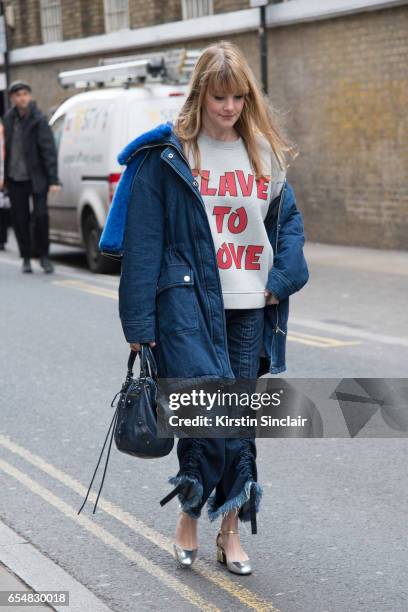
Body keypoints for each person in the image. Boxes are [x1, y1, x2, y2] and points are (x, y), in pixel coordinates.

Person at [99, 41, 309, 575]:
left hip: (249, 308)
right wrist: (139, 326)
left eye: (239, 97)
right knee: (203, 420)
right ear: (200, 94)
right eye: (220, 97)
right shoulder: (170, 157)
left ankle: (231, 531)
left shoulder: (263, 152)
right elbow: (144, 245)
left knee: (237, 423)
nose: (230, 108)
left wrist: (278, 281)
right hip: (187, 306)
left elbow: (288, 226)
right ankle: (191, 513)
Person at [3, 80, 60, 273]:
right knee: (20, 219)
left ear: (30, 96)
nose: (22, 98)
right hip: (15, 178)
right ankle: (26, 257)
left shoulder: (39, 119)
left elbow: (48, 150)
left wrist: (53, 179)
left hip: (38, 177)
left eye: (25, 94)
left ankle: (44, 256)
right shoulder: (8, 119)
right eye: (18, 95)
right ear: (12, 98)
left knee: (41, 216)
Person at [0, 119, 10, 250]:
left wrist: (4, 177)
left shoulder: (4, 130)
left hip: (3, 175)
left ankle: (2, 239)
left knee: (2, 210)